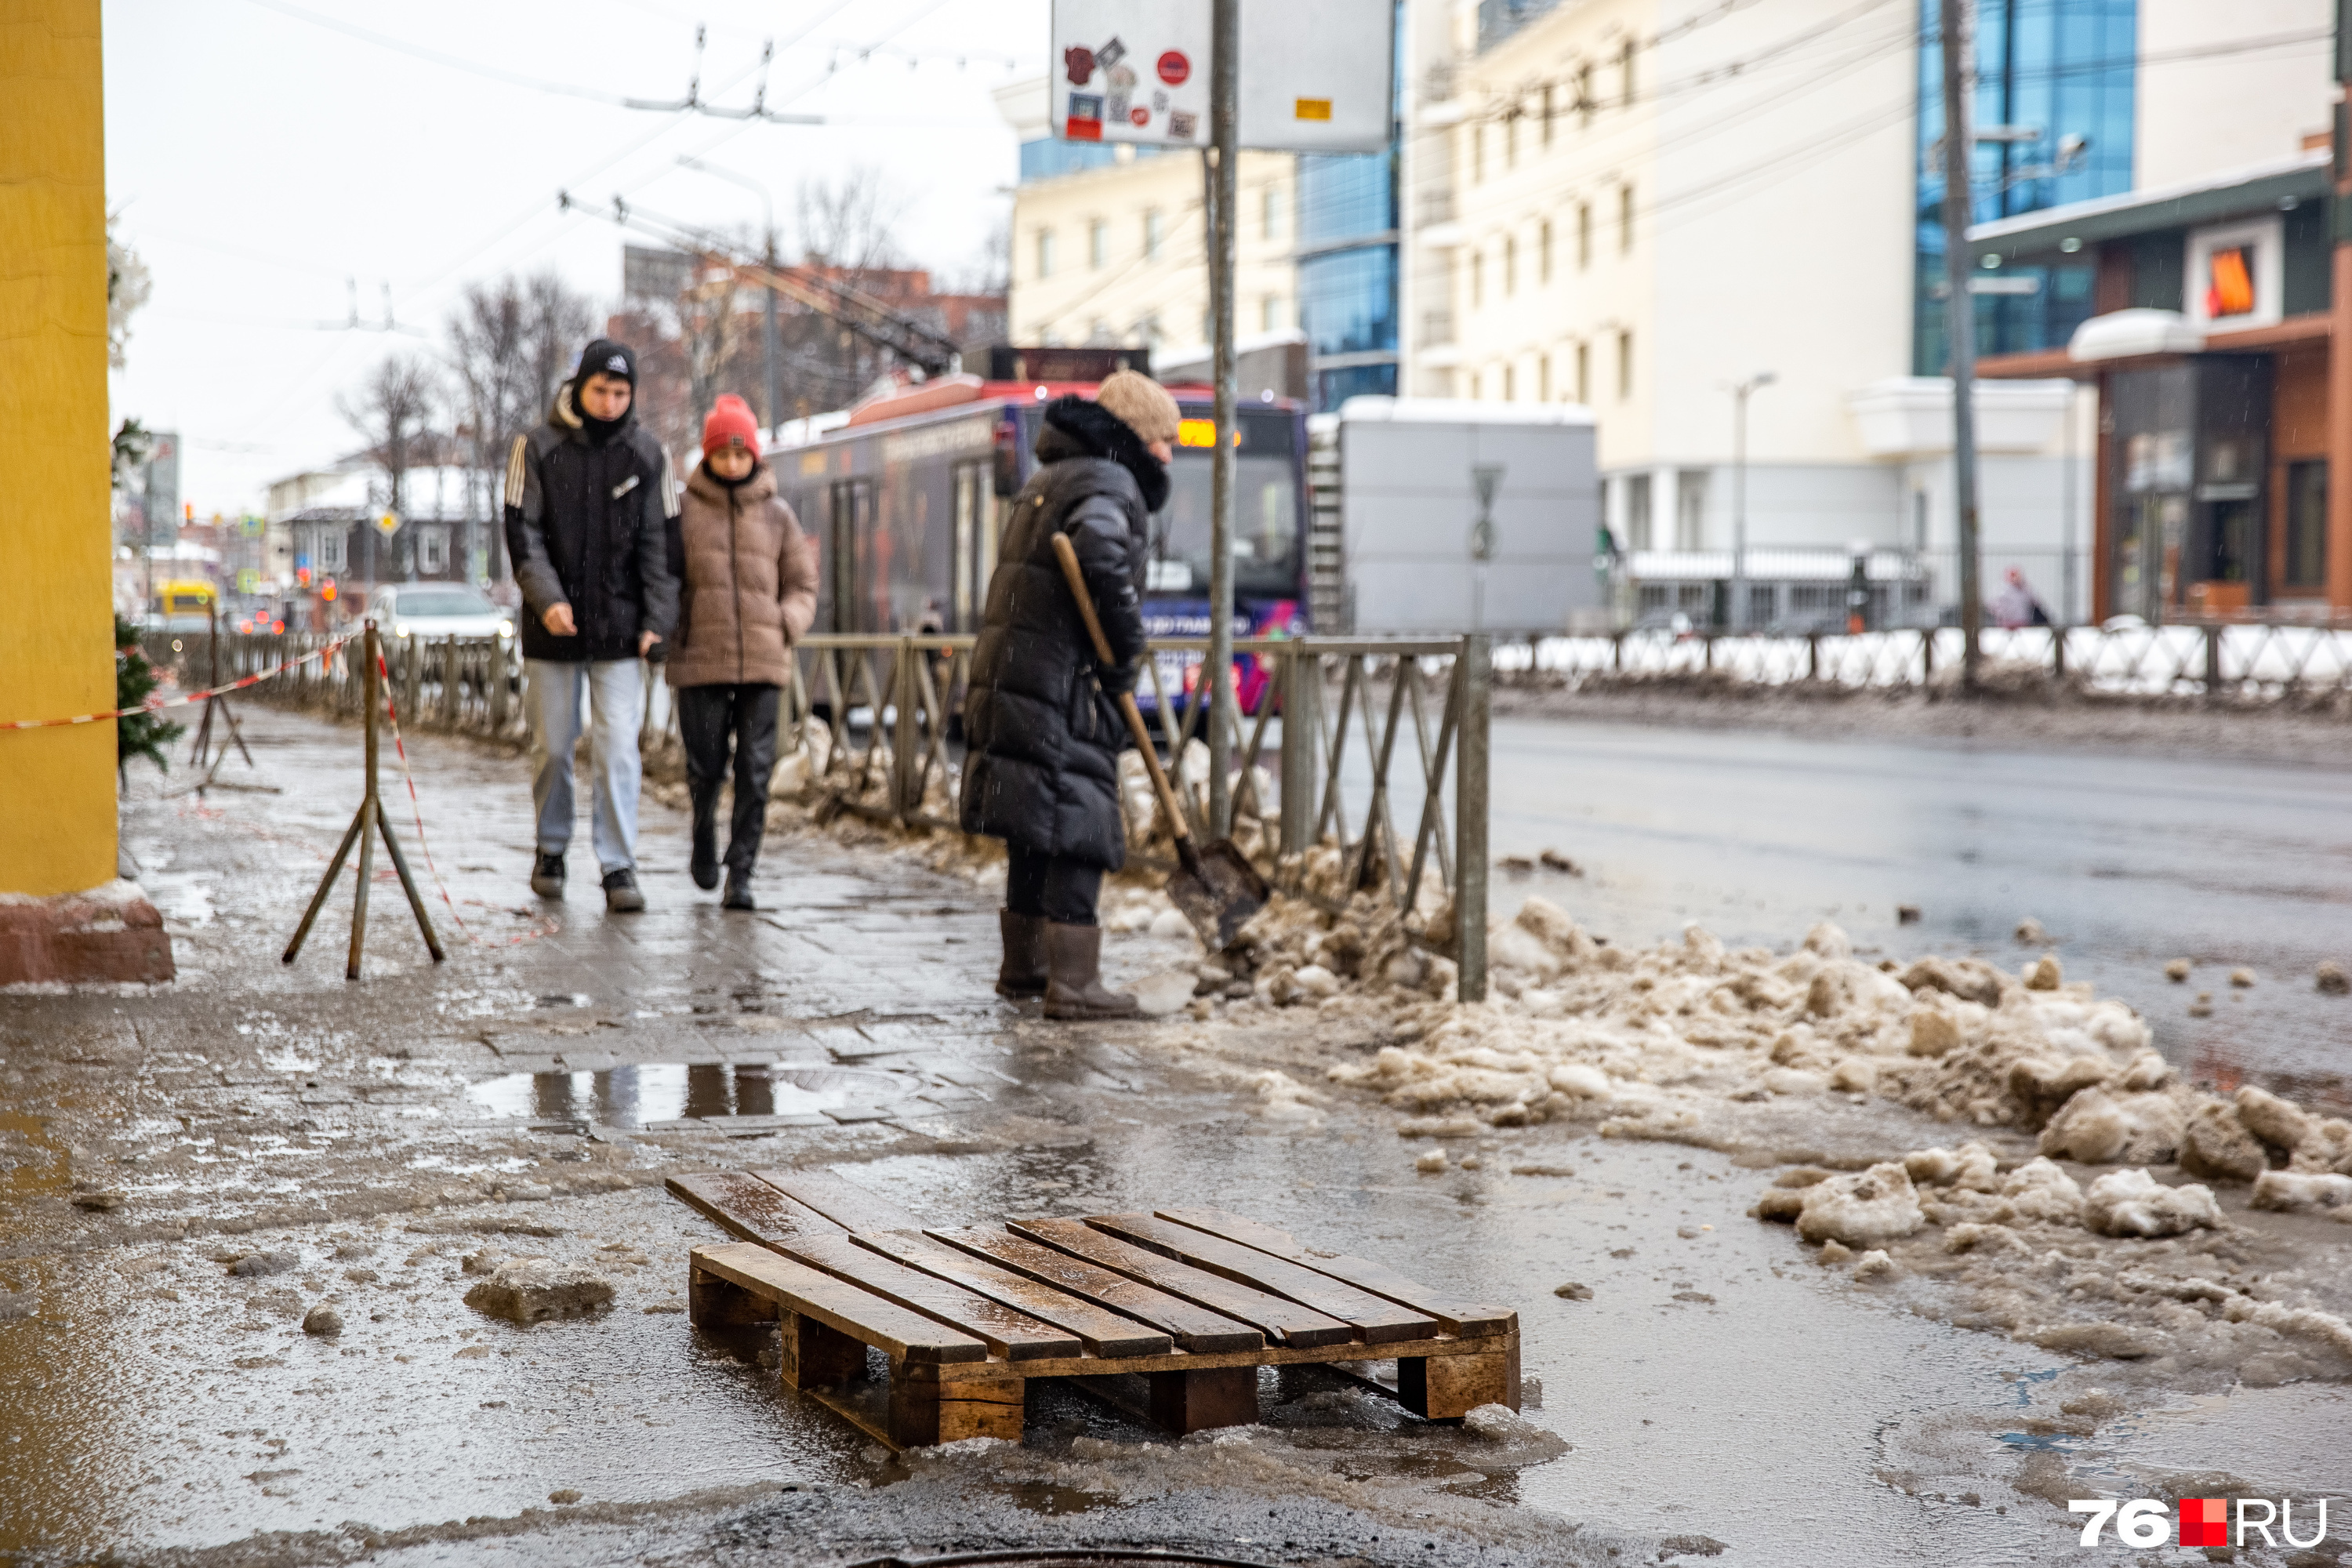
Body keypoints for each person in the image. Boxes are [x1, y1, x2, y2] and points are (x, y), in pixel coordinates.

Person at [960, 369, 1181, 1020]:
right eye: (1162, 439)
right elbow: (1100, 554)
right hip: (1063, 683)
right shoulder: (1110, 480)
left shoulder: (1049, 478)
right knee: (1080, 819)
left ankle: (1025, 969)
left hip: (1018, 672)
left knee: (1035, 823)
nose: (1167, 454)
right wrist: (1123, 651)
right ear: (1135, 435)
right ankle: (1076, 985)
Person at [503, 337, 679, 913]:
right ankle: (551, 847)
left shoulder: (648, 456)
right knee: (553, 746)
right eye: (601, 390)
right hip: (550, 630)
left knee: (618, 750)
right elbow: (521, 533)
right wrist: (547, 599)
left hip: (621, 632)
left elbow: (661, 546)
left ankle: (618, 864)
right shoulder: (536, 446)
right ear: (580, 386)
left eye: (621, 392)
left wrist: (658, 620)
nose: (610, 402)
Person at [665, 394, 817, 910]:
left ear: (755, 455)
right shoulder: (682, 512)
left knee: (755, 770)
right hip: (700, 659)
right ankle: (704, 831)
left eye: (741, 453)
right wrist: (667, 631)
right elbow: (664, 579)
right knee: (706, 766)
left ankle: (742, 873)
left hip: (762, 660)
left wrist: (785, 622)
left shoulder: (778, 516)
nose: (732, 463)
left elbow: (803, 583)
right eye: (722, 454)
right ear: (708, 456)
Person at [1988, 565, 2052, 630]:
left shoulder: (2025, 589)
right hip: (2006, 624)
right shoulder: (2001, 590)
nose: (2015, 578)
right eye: (2013, 575)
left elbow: (2036, 602)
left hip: (2023, 623)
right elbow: (1993, 606)